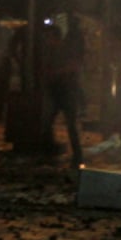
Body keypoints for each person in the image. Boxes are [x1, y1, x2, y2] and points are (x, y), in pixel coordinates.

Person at [40, 19, 84, 169]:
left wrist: (57, 72)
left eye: (49, 37)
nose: (48, 40)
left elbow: (74, 66)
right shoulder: (49, 51)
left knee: (71, 124)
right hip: (54, 90)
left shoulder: (66, 49)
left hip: (67, 90)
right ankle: (50, 151)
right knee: (46, 122)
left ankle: (77, 156)